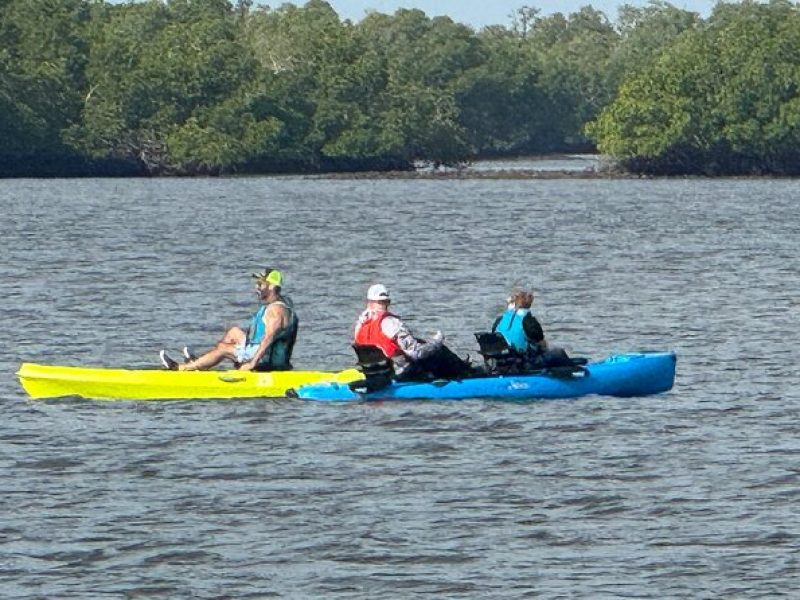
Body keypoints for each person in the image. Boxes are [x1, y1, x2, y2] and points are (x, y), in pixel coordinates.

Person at [159, 269, 298, 371]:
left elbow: (268, 338)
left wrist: (252, 364)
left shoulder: (276, 311)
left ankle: (182, 368)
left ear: (272, 287)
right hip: (261, 351)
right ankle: (201, 363)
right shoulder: (282, 303)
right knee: (234, 332)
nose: (257, 287)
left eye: (260, 284)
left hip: (266, 361)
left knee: (223, 349)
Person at [353, 283, 472, 381]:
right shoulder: (391, 323)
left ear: (369, 303)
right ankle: (466, 373)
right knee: (438, 350)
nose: (385, 306)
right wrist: (436, 342)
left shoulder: (360, 325)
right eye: (384, 303)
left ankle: (462, 368)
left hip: (374, 372)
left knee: (422, 342)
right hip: (401, 373)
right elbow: (416, 353)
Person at [492, 289, 573, 369]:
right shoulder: (528, 321)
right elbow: (542, 345)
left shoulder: (500, 319)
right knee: (559, 352)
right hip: (524, 362)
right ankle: (575, 375)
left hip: (501, 360)